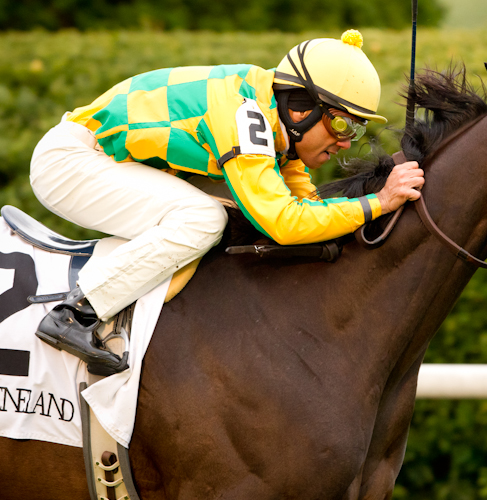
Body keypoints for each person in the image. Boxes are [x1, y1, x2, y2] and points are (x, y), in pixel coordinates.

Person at [29, 30, 424, 376]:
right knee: (204, 218)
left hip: (102, 158)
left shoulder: (275, 127)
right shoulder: (245, 115)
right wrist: (379, 201)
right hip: (70, 161)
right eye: (341, 124)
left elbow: (308, 212)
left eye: (357, 129)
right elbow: (285, 222)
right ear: (300, 107)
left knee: (223, 214)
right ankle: (77, 312)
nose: (346, 142)